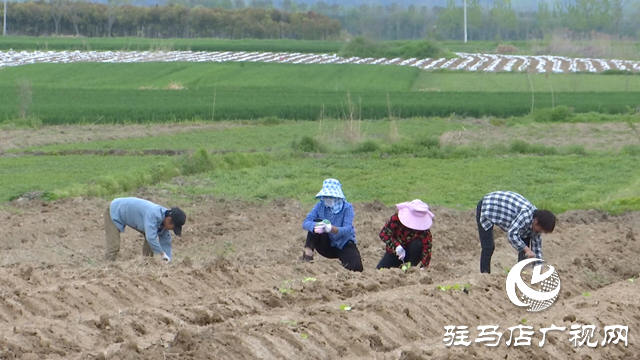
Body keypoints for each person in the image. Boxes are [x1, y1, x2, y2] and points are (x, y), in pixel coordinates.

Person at [476, 191, 556, 274]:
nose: (539, 232)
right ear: (536, 221)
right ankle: (484, 275)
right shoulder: (525, 215)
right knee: (488, 247)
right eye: (540, 229)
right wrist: (527, 249)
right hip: (488, 206)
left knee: (525, 243)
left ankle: (521, 273)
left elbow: (537, 248)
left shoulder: (536, 223)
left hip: (506, 211)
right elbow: (511, 235)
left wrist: (539, 269)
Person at [300, 178, 363, 272]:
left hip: (344, 243)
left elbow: (347, 229)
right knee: (316, 221)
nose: (327, 198)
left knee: (356, 268)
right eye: (326, 196)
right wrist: (316, 226)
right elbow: (306, 222)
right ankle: (308, 256)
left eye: (331, 196)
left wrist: (332, 229)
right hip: (326, 244)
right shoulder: (320, 206)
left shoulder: (347, 208)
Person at [104, 197, 186, 262]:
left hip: (129, 215)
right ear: (169, 220)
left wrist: (168, 260)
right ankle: (106, 271)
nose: (172, 230)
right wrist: (161, 254)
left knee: (151, 241)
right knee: (113, 247)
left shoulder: (164, 220)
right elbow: (151, 238)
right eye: (173, 227)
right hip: (114, 210)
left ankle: (146, 265)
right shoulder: (154, 214)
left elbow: (166, 242)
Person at [376, 199, 435, 270]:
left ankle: (410, 266)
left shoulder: (424, 231)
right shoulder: (396, 219)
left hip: (412, 254)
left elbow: (427, 250)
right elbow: (384, 233)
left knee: (417, 244)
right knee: (380, 269)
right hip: (396, 252)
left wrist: (423, 267)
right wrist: (396, 246)